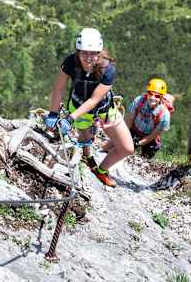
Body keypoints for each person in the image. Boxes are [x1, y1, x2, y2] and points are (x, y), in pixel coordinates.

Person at [44, 27, 134, 187]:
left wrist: (70, 118)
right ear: (78, 51)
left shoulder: (108, 69)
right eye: (84, 52)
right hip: (78, 108)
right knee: (85, 140)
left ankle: (101, 169)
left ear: (99, 52)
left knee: (127, 148)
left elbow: (94, 100)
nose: (89, 57)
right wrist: (53, 113)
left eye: (93, 53)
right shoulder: (70, 62)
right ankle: (87, 157)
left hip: (103, 111)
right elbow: (59, 88)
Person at [125, 78, 172, 159]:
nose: (153, 98)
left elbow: (153, 135)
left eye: (157, 96)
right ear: (147, 93)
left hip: (149, 137)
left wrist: (138, 144)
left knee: (147, 155)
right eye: (150, 93)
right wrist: (125, 135)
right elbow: (129, 120)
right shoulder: (139, 101)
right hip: (133, 129)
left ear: (161, 98)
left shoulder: (164, 115)